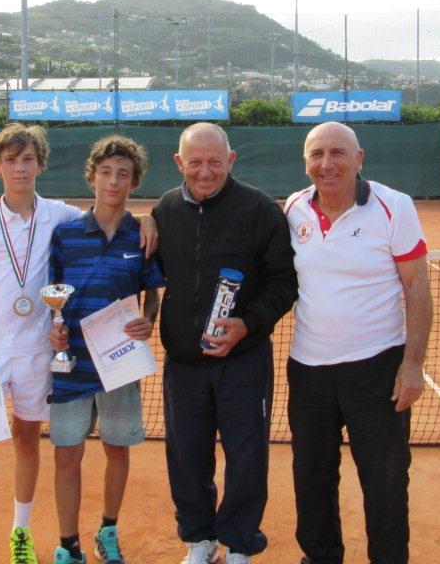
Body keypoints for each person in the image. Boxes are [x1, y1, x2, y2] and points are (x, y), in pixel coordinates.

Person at [0, 123, 157, 564]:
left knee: (27, 442)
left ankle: (20, 535)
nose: (20, 169)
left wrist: (148, 218)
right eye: (11, 161)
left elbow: (108, 209)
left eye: (28, 160)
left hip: (39, 355)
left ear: (41, 165)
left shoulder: (58, 216)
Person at [283, 122, 434, 564]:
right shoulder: (293, 208)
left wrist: (412, 365)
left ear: (359, 159)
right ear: (306, 162)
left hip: (377, 370)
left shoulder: (394, 206)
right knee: (311, 478)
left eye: (338, 153)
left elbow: (417, 287)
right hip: (308, 372)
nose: (327, 164)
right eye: (317, 154)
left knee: (386, 483)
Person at [151, 122, 298, 564]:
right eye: (195, 162)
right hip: (183, 363)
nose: (205, 171)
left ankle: (238, 544)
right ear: (179, 163)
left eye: (215, 161)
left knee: (247, 456)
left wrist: (247, 325)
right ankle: (200, 540)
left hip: (243, 361)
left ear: (230, 160)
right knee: (187, 457)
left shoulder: (260, 211)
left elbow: (283, 282)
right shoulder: (165, 210)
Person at [46, 135, 165, 564]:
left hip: (120, 363)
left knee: (117, 449)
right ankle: (68, 544)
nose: (114, 181)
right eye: (106, 173)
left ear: (134, 183)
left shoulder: (141, 235)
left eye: (123, 175)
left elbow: (152, 291)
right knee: (67, 455)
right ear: (92, 177)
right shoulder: (65, 234)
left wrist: (148, 320)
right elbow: (53, 297)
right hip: (72, 365)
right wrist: (55, 332)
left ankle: (108, 531)